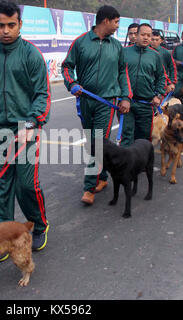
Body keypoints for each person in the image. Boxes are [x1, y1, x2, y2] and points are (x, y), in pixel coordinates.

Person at [0, 1, 50, 259]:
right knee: (3, 186)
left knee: (26, 185)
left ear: (20, 24)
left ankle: (37, 225)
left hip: (25, 131)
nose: (6, 30)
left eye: (11, 25)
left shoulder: (31, 55)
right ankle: (3, 238)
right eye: (1, 25)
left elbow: (42, 95)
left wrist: (30, 124)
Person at [62, 5, 131, 205]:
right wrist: (72, 83)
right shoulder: (81, 42)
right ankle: (102, 177)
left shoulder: (116, 46)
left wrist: (125, 97)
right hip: (85, 100)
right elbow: (67, 67)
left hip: (107, 102)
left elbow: (122, 73)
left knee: (98, 143)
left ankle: (89, 188)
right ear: (105, 21)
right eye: (116, 22)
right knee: (92, 141)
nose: (118, 26)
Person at [119, 23, 166, 148]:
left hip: (146, 104)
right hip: (127, 102)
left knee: (144, 137)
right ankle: (126, 166)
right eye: (143, 34)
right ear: (136, 35)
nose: (146, 38)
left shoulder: (155, 55)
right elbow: (116, 75)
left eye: (149, 35)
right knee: (127, 136)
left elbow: (161, 77)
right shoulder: (124, 52)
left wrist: (158, 95)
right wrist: (122, 97)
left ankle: (142, 165)